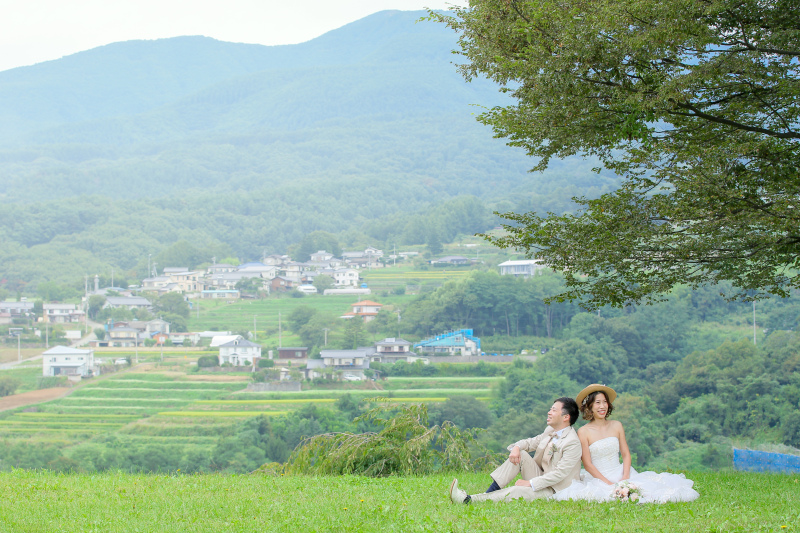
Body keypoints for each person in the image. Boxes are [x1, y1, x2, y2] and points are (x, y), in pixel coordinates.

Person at [552, 384, 700, 503]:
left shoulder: (617, 425)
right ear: (589, 406)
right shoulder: (583, 432)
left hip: (621, 472)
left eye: (605, 402)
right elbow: (588, 464)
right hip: (599, 477)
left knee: (650, 491)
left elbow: (625, 454)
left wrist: (625, 477)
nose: (602, 406)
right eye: (597, 403)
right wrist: (607, 483)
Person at [449, 397, 581, 503]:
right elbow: (529, 443)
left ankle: (468, 500)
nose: (549, 412)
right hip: (541, 476)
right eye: (550, 409)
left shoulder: (572, 442)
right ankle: (487, 494)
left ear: (566, 417)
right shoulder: (550, 431)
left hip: (556, 489)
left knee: (517, 491)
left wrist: (530, 483)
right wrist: (516, 448)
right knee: (521, 454)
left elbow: (559, 474)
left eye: (553, 410)